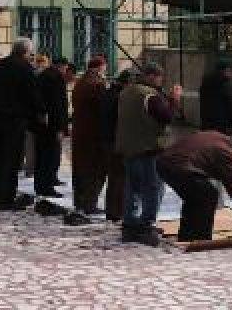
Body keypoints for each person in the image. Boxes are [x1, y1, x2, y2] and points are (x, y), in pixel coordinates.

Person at [115, 62, 181, 245]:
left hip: (129, 148)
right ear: (152, 76)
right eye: (160, 77)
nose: (161, 81)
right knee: (153, 188)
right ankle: (146, 226)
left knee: (133, 188)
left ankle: (129, 225)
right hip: (148, 149)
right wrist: (175, 100)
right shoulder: (149, 95)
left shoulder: (126, 92)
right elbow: (167, 117)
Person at [157, 132, 232, 242]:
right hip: (179, 167)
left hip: (165, 163)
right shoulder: (227, 154)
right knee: (209, 195)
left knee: (195, 198)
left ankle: (187, 236)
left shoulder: (220, 139)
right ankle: (202, 238)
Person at [0, 38, 43, 210]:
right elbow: (32, 95)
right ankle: (6, 199)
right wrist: (40, 112)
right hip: (15, 121)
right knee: (12, 160)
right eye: (30, 53)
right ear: (25, 52)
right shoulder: (24, 69)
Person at [71, 55, 111, 214]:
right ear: (100, 67)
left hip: (79, 131)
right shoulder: (97, 84)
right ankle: (89, 204)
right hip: (93, 133)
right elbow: (103, 109)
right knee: (94, 170)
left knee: (80, 169)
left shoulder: (80, 82)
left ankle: (79, 202)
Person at [34, 57, 73, 197]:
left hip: (42, 123)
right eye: (65, 68)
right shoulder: (56, 78)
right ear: (61, 66)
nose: (66, 70)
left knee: (42, 156)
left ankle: (40, 185)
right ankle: (47, 187)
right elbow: (58, 106)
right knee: (50, 156)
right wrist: (60, 128)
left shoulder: (43, 75)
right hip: (52, 125)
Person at [102, 69, 132, 221]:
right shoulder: (119, 96)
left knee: (114, 178)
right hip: (116, 140)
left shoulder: (110, 92)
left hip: (109, 139)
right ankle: (116, 211)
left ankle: (112, 210)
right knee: (119, 177)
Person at [23, 52, 51, 177]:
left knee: (30, 144)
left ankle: (31, 169)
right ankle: (33, 169)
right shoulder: (41, 76)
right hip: (36, 114)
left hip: (30, 115)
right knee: (34, 144)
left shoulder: (31, 74)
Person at [199, 57, 232, 134]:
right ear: (225, 70)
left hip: (206, 124)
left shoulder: (205, 83)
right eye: (230, 70)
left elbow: (202, 103)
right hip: (222, 126)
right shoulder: (227, 85)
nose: (231, 72)